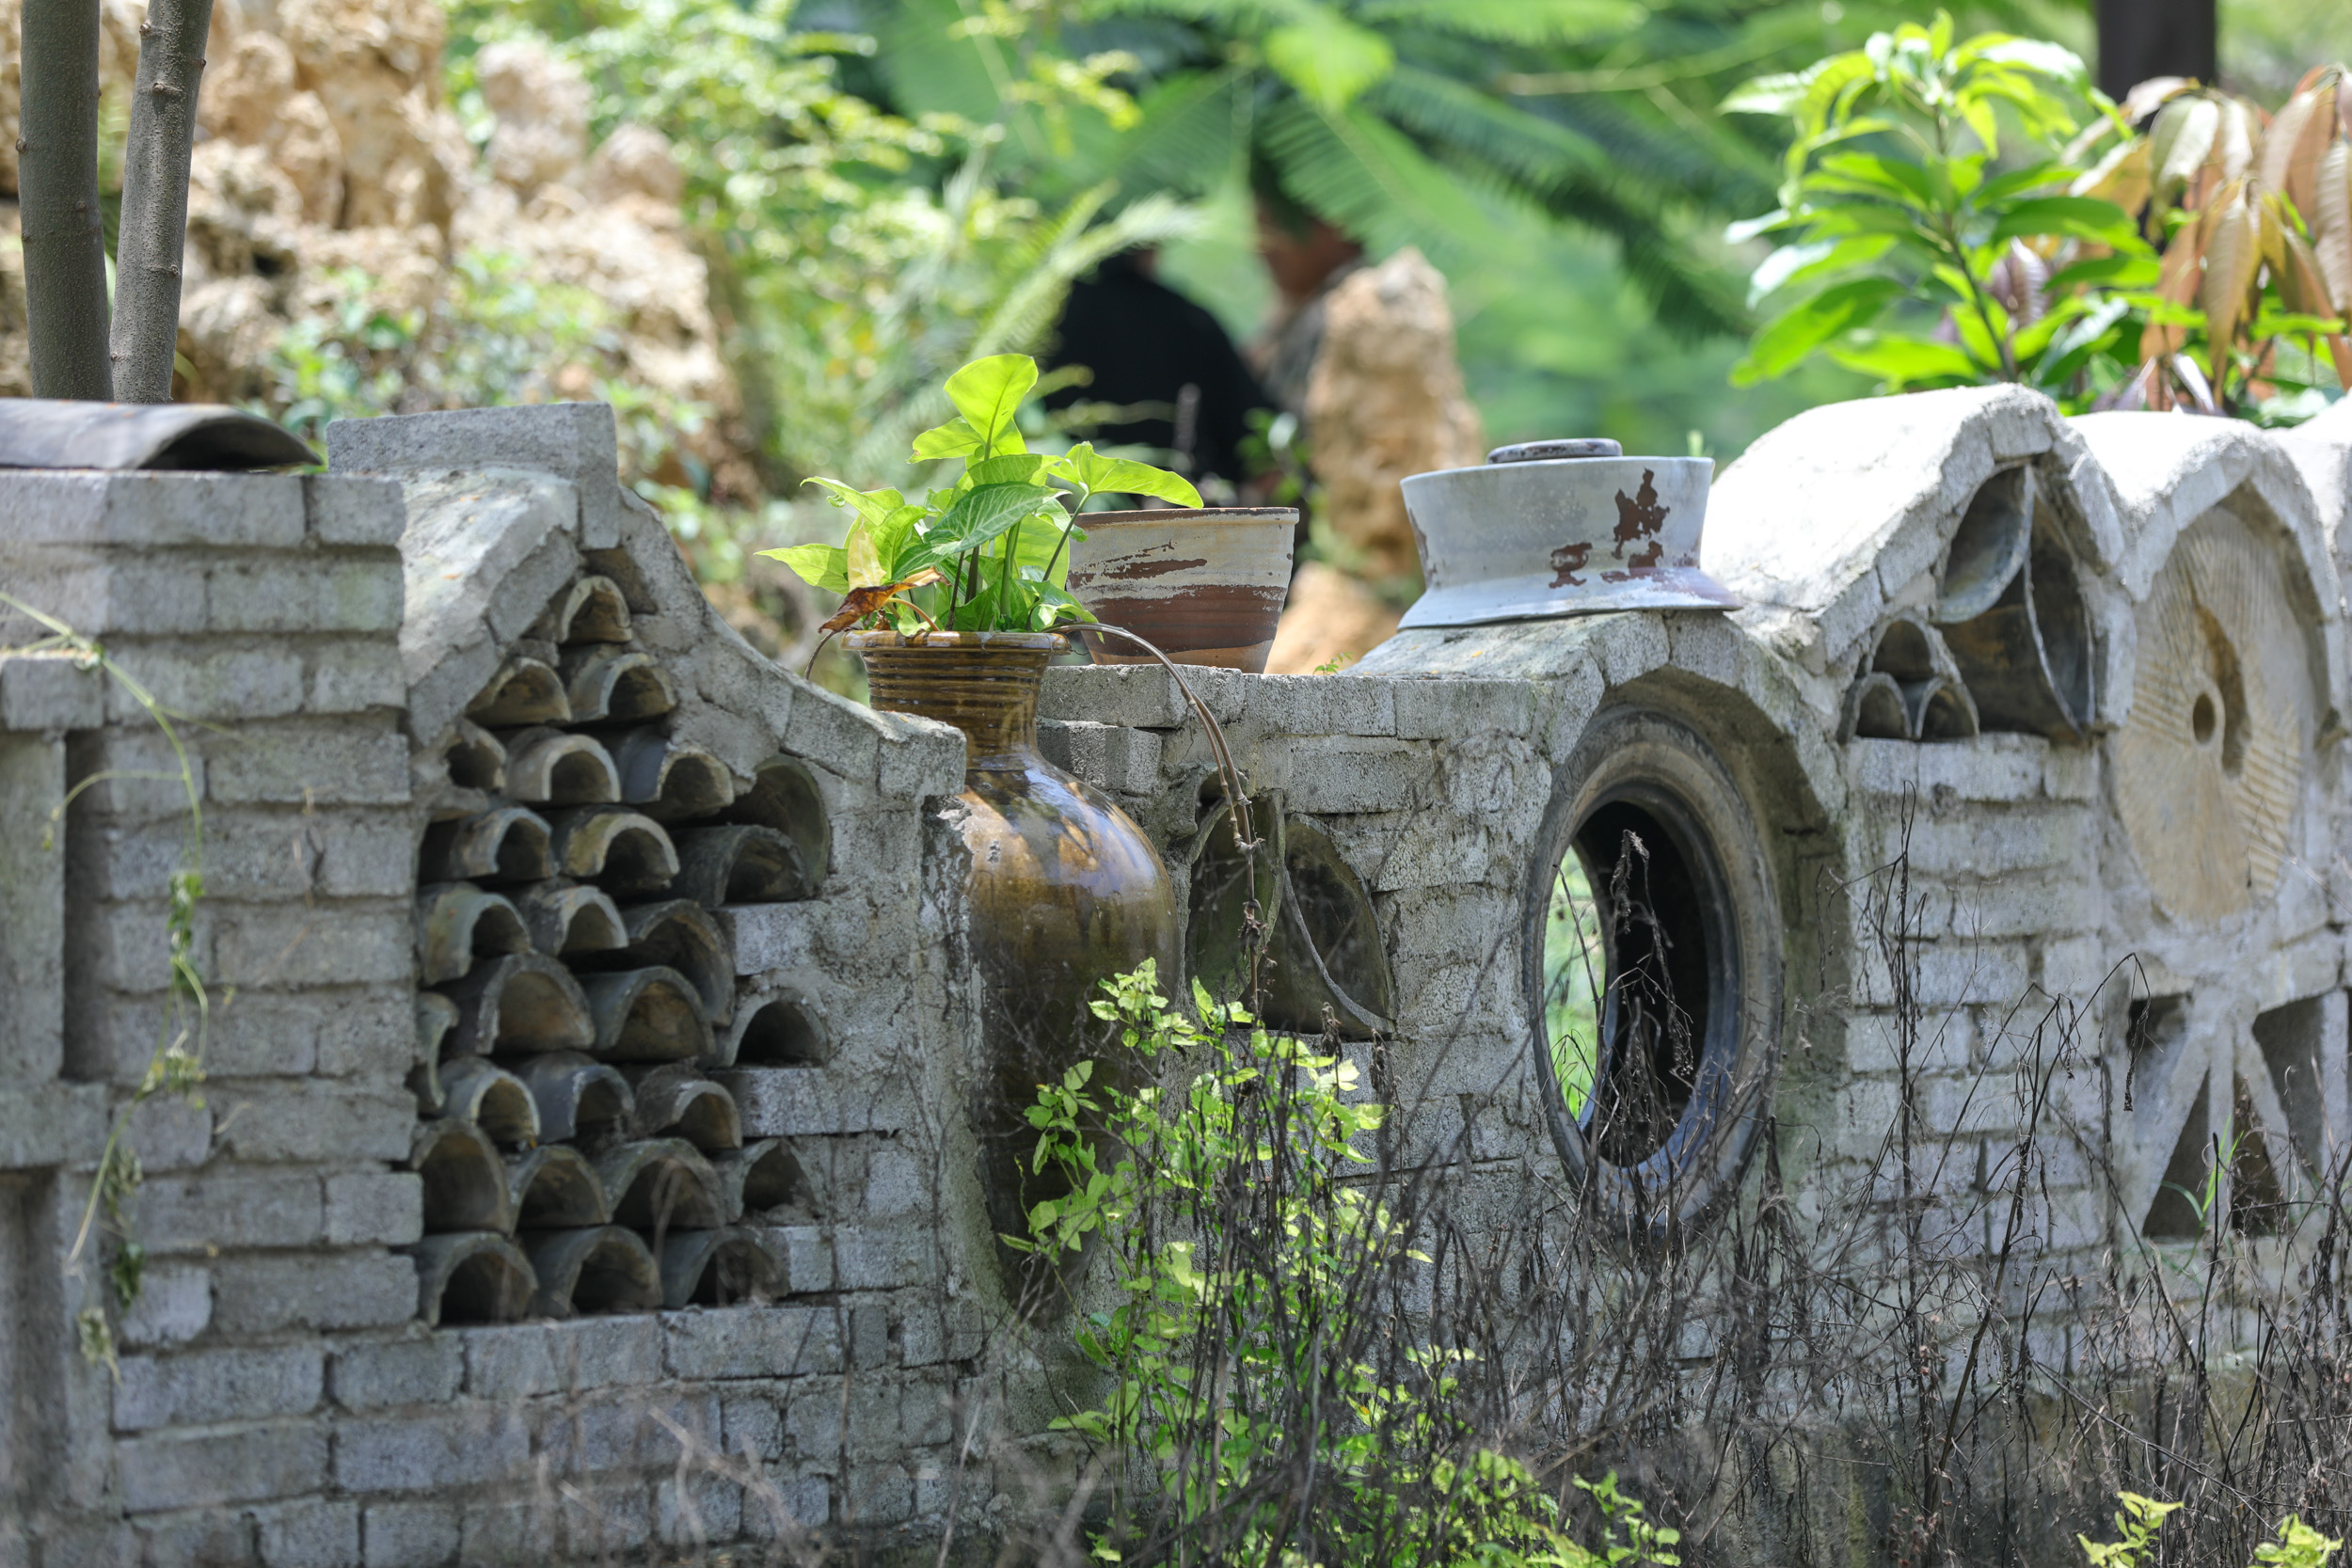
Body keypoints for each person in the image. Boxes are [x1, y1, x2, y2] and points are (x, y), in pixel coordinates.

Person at [1041, 248, 1272, 497]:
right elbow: (1257, 446)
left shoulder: (1038, 326)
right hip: (1183, 519)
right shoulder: (1188, 322)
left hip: (1067, 519)